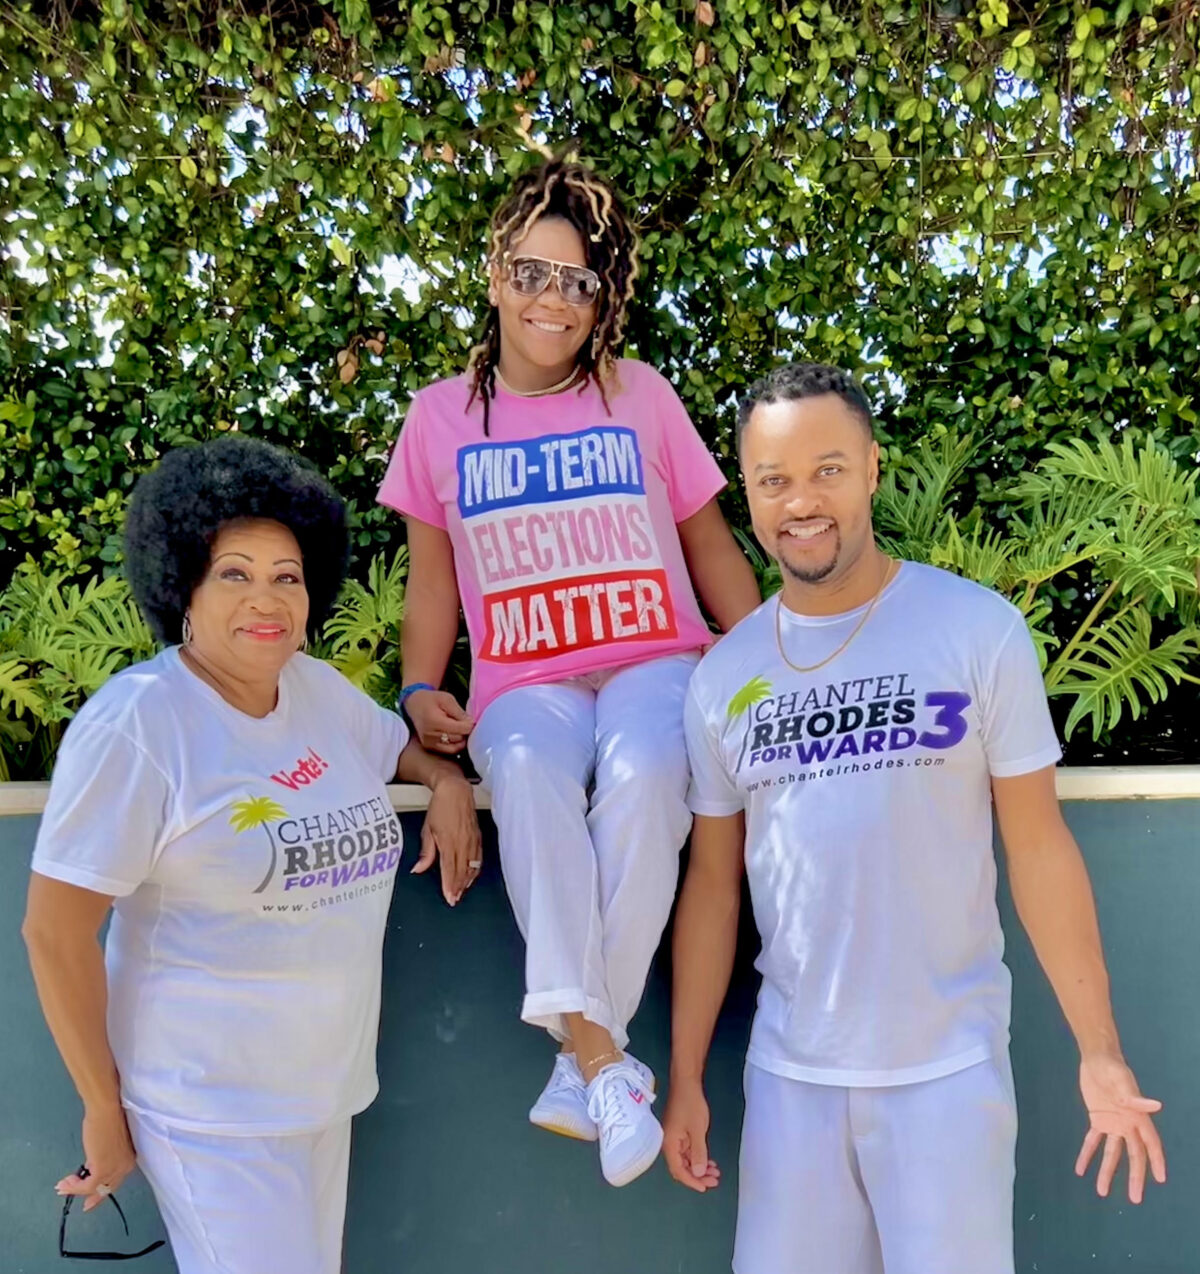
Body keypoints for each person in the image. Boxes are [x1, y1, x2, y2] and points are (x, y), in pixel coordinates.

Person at [662, 362, 1166, 1272]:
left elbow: (1038, 846)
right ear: (748, 493)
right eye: (774, 480)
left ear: (872, 469)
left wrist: (1101, 1053)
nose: (801, 502)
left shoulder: (977, 630)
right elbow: (712, 885)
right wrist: (688, 1077)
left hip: (948, 1078)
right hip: (791, 1082)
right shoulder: (722, 677)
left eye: (828, 470)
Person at [378, 157, 761, 1186]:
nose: (555, 298)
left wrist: (772, 650)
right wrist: (419, 691)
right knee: (537, 787)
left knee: (645, 781)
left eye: (580, 281)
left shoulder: (640, 395)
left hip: (654, 655)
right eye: (535, 274)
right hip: (523, 681)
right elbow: (432, 579)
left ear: (603, 300)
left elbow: (710, 542)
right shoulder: (439, 418)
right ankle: (603, 1060)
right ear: (497, 277)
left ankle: (580, 1058)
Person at [22, 435, 482, 1274]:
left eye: (287, 576)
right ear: (182, 590)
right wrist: (102, 1109)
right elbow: (53, 933)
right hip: (210, 1107)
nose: (265, 599)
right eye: (234, 573)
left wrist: (444, 782)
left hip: (321, 1091)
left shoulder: (314, 690)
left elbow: (394, 752)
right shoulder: (141, 726)